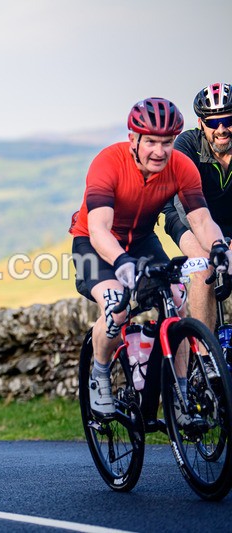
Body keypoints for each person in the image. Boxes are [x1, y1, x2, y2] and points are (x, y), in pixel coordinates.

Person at [69, 98, 232, 425]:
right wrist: (121, 262)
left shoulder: (181, 166)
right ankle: (99, 377)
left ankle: (182, 397)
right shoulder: (108, 163)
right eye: (152, 142)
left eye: (167, 143)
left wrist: (217, 247)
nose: (160, 151)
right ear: (134, 139)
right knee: (116, 303)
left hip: (142, 239)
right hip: (94, 242)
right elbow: (99, 229)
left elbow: (200, 219)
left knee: (177, 301)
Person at [163, 83, 232, 333]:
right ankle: (206, 360)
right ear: (201, 123)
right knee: (204, 266)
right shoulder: (187, 145)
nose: (222, 129)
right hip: (186, 215)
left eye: (228, 120)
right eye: (213, 123)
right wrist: (218, 246)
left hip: (226, 219)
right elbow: (187, 209)